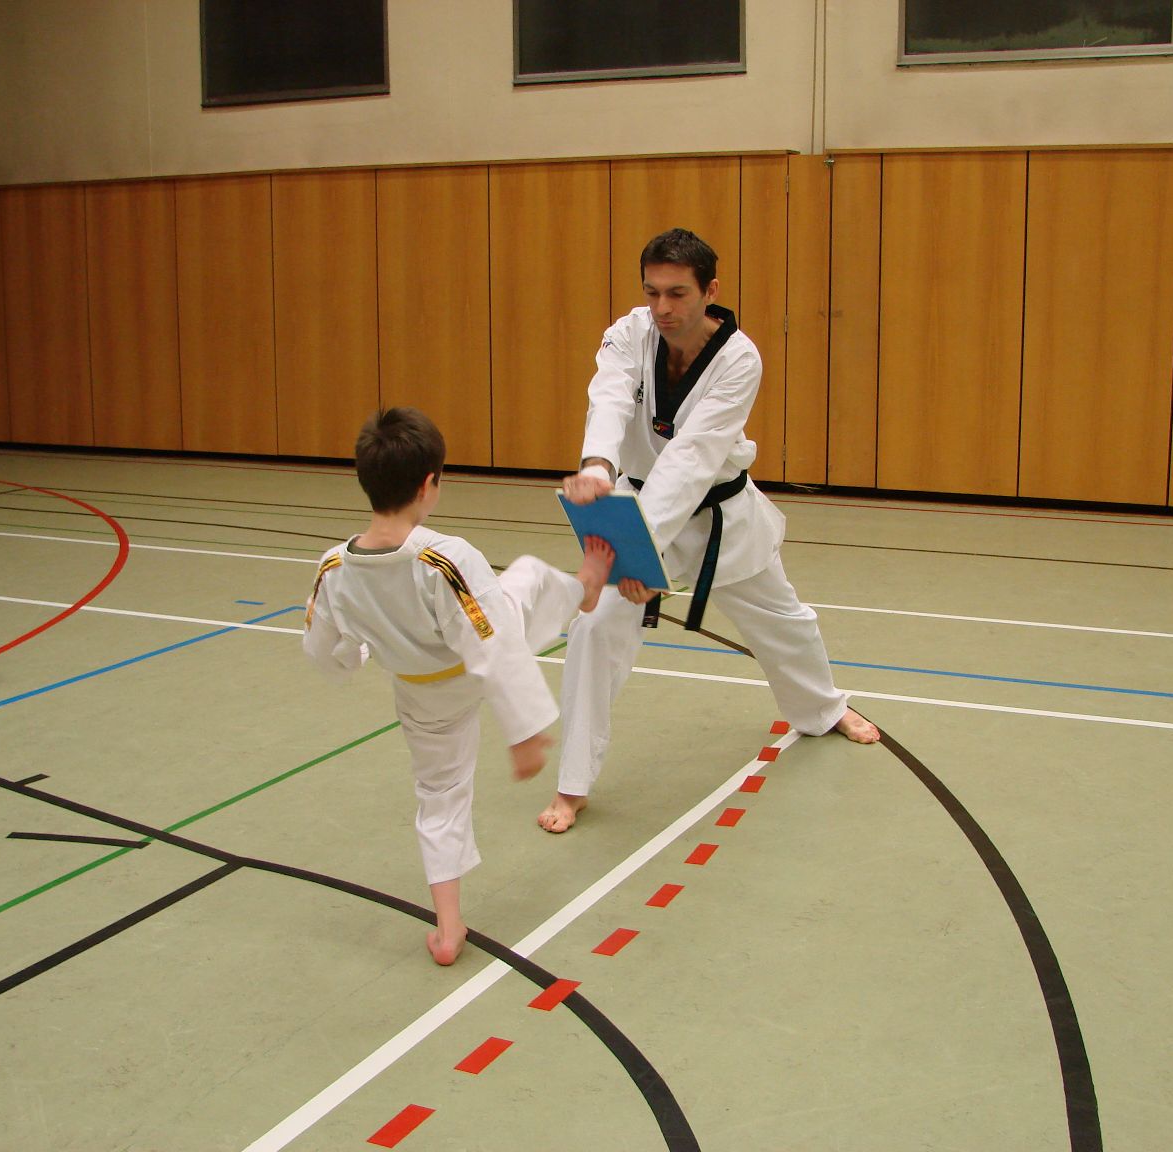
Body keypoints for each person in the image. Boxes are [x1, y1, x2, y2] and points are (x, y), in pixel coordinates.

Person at [539, 227, 879, 834]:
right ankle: (573, 783)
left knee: (784, 621)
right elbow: (608, 398)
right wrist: (596, 467)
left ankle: (822, 710)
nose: (662, 307)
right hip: (639, 505)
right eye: (652, 292)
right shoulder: (629, 333)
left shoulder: (739, 359)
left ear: (710, 291)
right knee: (595, 627)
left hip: (718, 512)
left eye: (677, 293)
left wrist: (642, 552)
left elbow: (692, 458)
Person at [303, 407, 613, 964]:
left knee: (439, 796)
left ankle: (448, 929)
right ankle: (585, 584)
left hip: (421, 693)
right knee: (526, 579)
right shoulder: (444, 558)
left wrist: (359, 652)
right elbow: (496, 644)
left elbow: (324, 650)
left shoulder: (333, 568)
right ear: (429, 484)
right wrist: (525, 732)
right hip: (469, 662)